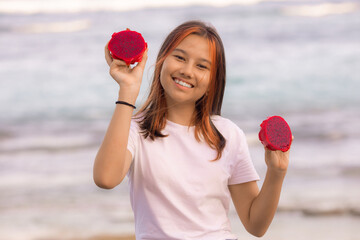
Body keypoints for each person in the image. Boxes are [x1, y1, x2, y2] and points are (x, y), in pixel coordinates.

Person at [93, 20, 290, 240]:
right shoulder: (135, 131)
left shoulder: (228, 134)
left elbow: (256, 225)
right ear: (161, 60)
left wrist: (277, 173)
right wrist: (127, 91)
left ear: (214, 80)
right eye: (180, 57)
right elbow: (105, 178)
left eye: (202, 66)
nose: (187, 71)